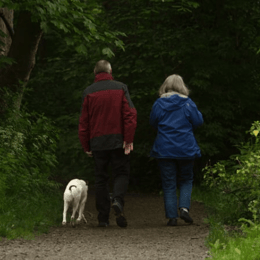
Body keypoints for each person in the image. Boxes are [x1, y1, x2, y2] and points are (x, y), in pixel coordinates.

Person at [79, 60, 137, 228]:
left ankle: (103, 218)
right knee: (121, 173)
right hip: (118, 139)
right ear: (110, 71)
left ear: (95, 73)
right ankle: (117, 200)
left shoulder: (88, 92)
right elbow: (130, 115)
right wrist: (129, 139)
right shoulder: (120, 88)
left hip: (97, 141)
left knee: (100, 178)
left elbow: (84, 122)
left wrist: (86, 145)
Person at [150, 74, 203, 226]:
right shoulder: (188, 103)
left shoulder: (159, 104)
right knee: (186, 179)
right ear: (182, 86)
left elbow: (153, 122)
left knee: (169, 183)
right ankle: (184, 209)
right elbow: (198, 121)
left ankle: (172, 217)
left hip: (165, 148)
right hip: (185, 147)